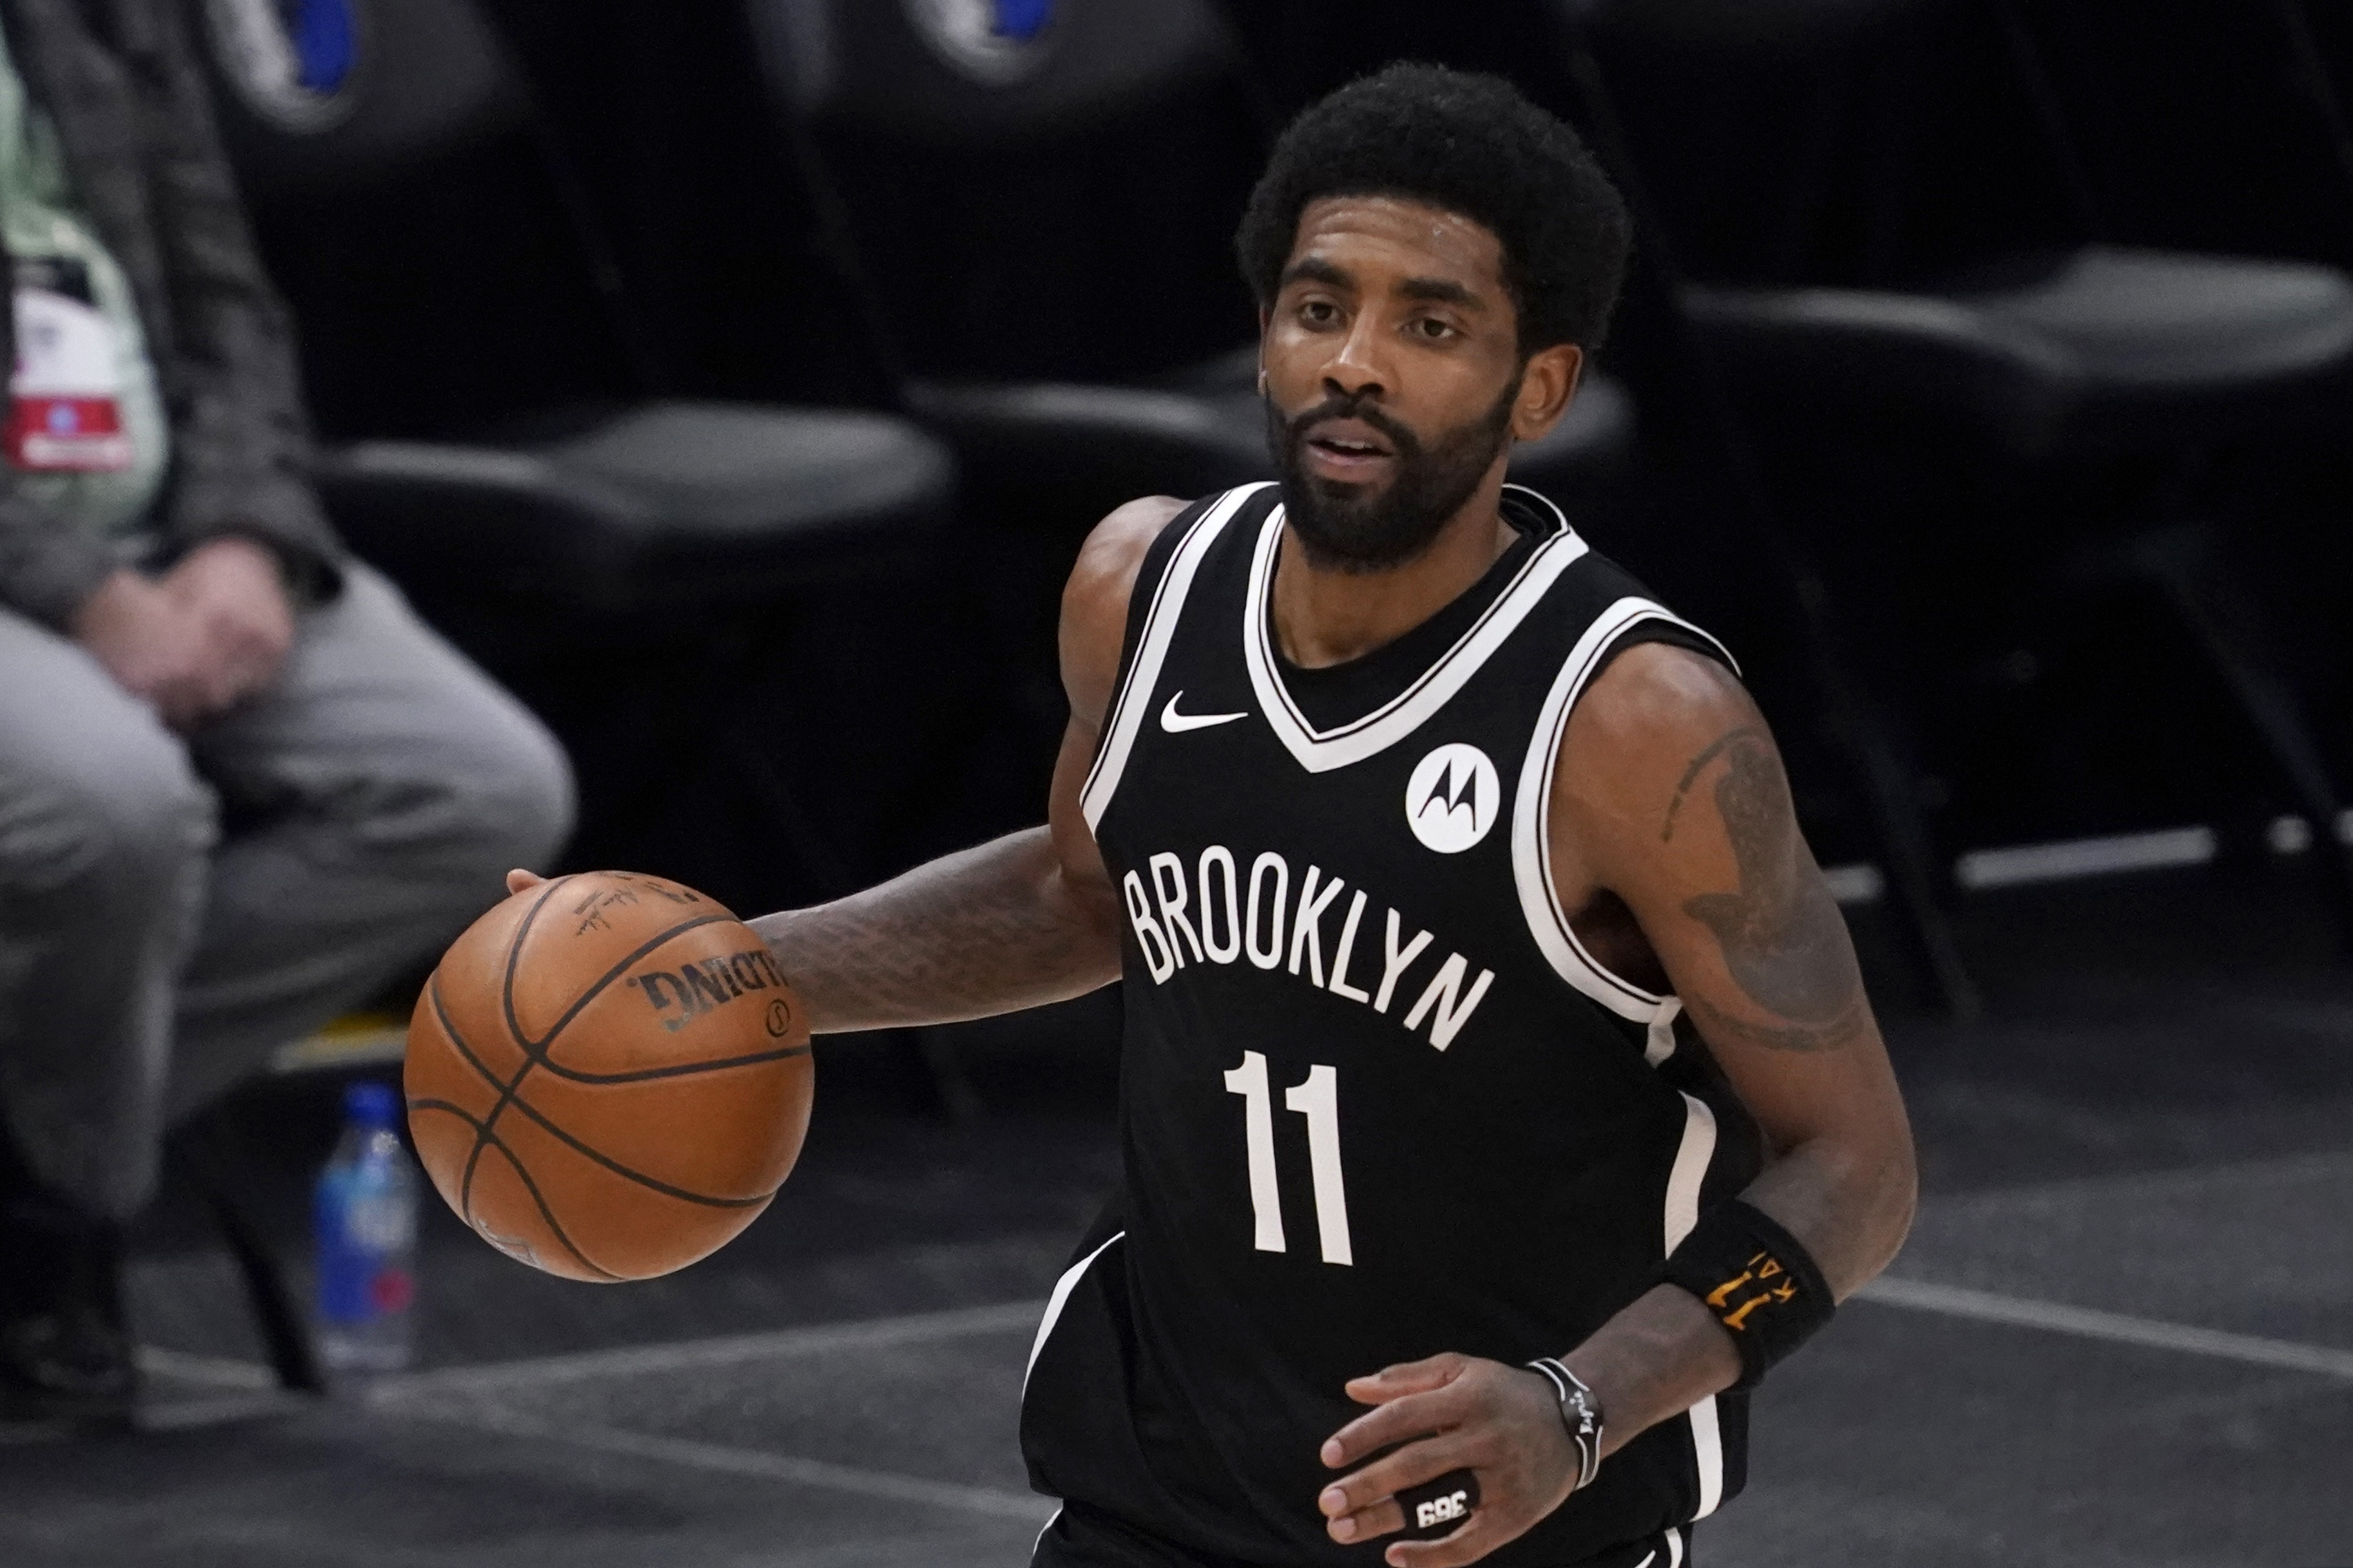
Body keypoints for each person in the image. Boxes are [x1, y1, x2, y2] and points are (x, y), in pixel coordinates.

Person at [521, 64, 1914, 1567]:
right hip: (1156, 1498)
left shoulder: (1634, 726)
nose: (1355, 364)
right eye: (1320, 309)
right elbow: (1088, 893)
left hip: (1496, 1529)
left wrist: (1577, 1404)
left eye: (1428, 325)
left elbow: (1855, 1168)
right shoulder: (1141, 589)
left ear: (1540, 388)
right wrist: (731, 967)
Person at [0, 0, 573, 1433]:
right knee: (116, 805)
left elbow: (225, 297)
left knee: (481, 788)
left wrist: (247, 533)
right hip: (37, 570)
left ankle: (40, 1168)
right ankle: (52, 1241)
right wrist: (79, 590)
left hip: (170, 530)